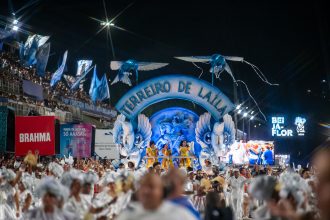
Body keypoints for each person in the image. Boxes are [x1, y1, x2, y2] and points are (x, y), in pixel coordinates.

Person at [116, 173, 197, 220]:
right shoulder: (128, 215)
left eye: (151, 187)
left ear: (162, 190)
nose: (146, 191)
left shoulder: (179, 214)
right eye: (142, 186)